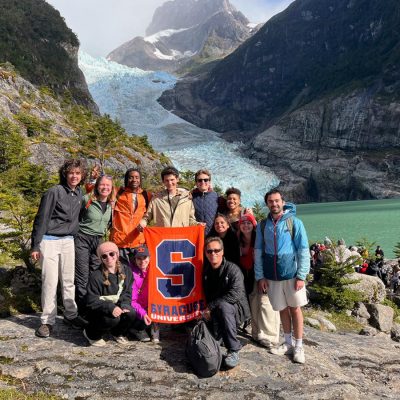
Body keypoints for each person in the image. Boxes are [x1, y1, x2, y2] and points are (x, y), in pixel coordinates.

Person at [31, 159, 88, 338]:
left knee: (69, 280)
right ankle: (47, 321)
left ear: (82, 176)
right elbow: (41, 218)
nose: (74, 176)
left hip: (68, 241)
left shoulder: (79, 193)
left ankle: (70, 315)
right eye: (71, 173)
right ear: (65, 174)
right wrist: (35, 245)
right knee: (50, 281)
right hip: (49, 241)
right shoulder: (54, 192)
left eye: (78, 173)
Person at [254, 189, 310, 364]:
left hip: (292, 275)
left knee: (295, 308)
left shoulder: (294, 222)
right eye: (271, 201)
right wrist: (260, 276)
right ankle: (287, 343)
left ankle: (299, 346)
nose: (274, 204)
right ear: (267, 204)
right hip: (272, 276)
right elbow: (258, 252)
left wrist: (301, 275)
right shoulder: (263, 225)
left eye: (277, 201)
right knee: (282, 309)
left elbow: (303, 250)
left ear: (283, 202)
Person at [202, 237, 250, 369]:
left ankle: (233, 350)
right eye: (209, 251)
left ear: (222, 252)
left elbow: (235, 295)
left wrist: (210, 307)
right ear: (205, 253)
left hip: (235, 309)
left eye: (217, 250)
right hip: (217, 309)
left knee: (224, 306)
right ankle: (220, 335)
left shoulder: (233, 269)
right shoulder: (206, 272)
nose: (213, 254)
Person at [74, 175, 114, 316]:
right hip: (82, 239)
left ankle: (93, 306)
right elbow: (75, 217)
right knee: (82, 276)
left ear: (111, 188)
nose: (105, 187)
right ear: (97, 186)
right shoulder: (87, 200)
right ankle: (82, 312)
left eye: (108, 185)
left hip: (98, 242)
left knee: (96, 274)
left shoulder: (111, 205)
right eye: (102, 184)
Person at [84, 241, 136, 347]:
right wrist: (110, 307)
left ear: (117, 254)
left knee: (131, 313)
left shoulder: (126, 271)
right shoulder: (96, 276)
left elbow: (127, 292)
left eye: (112, 254)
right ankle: (91, 334)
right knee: (112, 319)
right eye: (104, 256)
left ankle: (117, 333)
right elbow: (91, 300)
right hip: (99, 310)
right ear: (100, 259)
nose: (109, 258)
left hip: (117, 305)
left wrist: (125, 304)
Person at [110, 168, 151, 266]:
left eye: (137, 177)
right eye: (131, 177)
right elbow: (98, 191)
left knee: (138, 273)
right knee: (122, 273)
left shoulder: (146, 195)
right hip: (120, 241)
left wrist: (185, 191)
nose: (134, 180)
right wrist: (92, 180)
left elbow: (160, 199)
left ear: (140, 179)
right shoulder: (117, 192)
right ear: (126, 179)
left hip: (138, 242)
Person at [129, 245, 159, 342]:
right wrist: (143, 313)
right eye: (139, 258)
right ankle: (137, 329)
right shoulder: (131, 274)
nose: (142, 261)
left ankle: (154, 326)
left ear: (150, 258)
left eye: (145, 258)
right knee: (133, 314)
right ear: (135, 259)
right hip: (138, 308)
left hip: (151, 306)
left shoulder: (155, 270)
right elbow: (132, 301)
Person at [191, 169, 218, 235]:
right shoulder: (190, 197)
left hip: (213, 236)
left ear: (209, 182)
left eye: (206, 180)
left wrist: (244, 211)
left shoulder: (217, 197)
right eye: (200, 180)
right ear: (196, 183)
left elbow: (231, 207)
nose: (203, 182)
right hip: (196, 235)